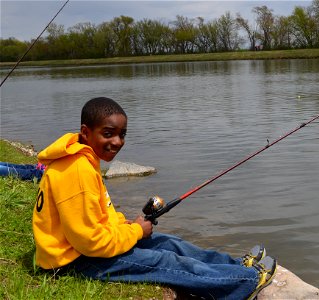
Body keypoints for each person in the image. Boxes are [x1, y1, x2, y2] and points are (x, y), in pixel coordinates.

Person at [32, 97, 277, 299]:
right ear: (86, 132)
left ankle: (235, 265)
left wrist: (126, 226)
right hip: (74, 262)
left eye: (122, 134)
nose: (117, 142)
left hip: (84, 250)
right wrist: (136, 232)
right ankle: (244, 283)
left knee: (169, 243)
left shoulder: (82, 157)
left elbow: (99, 214)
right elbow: (90, 243)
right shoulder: (77, 169)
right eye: (108, 133)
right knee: (165, 260)